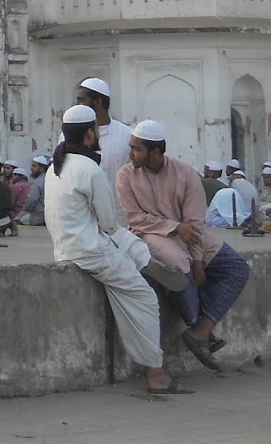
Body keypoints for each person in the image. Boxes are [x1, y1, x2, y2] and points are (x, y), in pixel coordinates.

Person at [46, 105, 190, 395]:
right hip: (92, 251)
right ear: (90, 134)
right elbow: (109, 223)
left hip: (67, 247)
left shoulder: (55, 167)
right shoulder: (90, 169)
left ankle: (143, 260)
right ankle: (156, 374)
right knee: (144, 297)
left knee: (128, 248)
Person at [117, 119, 251, 372]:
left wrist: (199, 261)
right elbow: (136, 218)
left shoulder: (186, 173)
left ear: (155, 151)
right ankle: (195, 322)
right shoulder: (126, 175)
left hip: (189, 233)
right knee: (179, 264)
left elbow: (195, 222)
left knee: (236, 268)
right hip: (149, 233)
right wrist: (175, 228)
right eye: (131, 147)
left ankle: (200, 331)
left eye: (136, 149)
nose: (130, 153)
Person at [76, 77, 133, 205]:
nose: (77, 105)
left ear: (97, 101)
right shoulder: (69, 134)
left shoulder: (127, 135)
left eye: (81, 100)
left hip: (116, 215)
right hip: (81, 217)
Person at [16, 156, 49, 226]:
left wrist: (25, 208)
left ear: (42, 168)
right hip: (50, 214)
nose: (32, 168)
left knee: (17, 219)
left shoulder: (37, 183)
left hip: (39, 215)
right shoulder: (49, 179)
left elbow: (32, 199)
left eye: (34, 166)